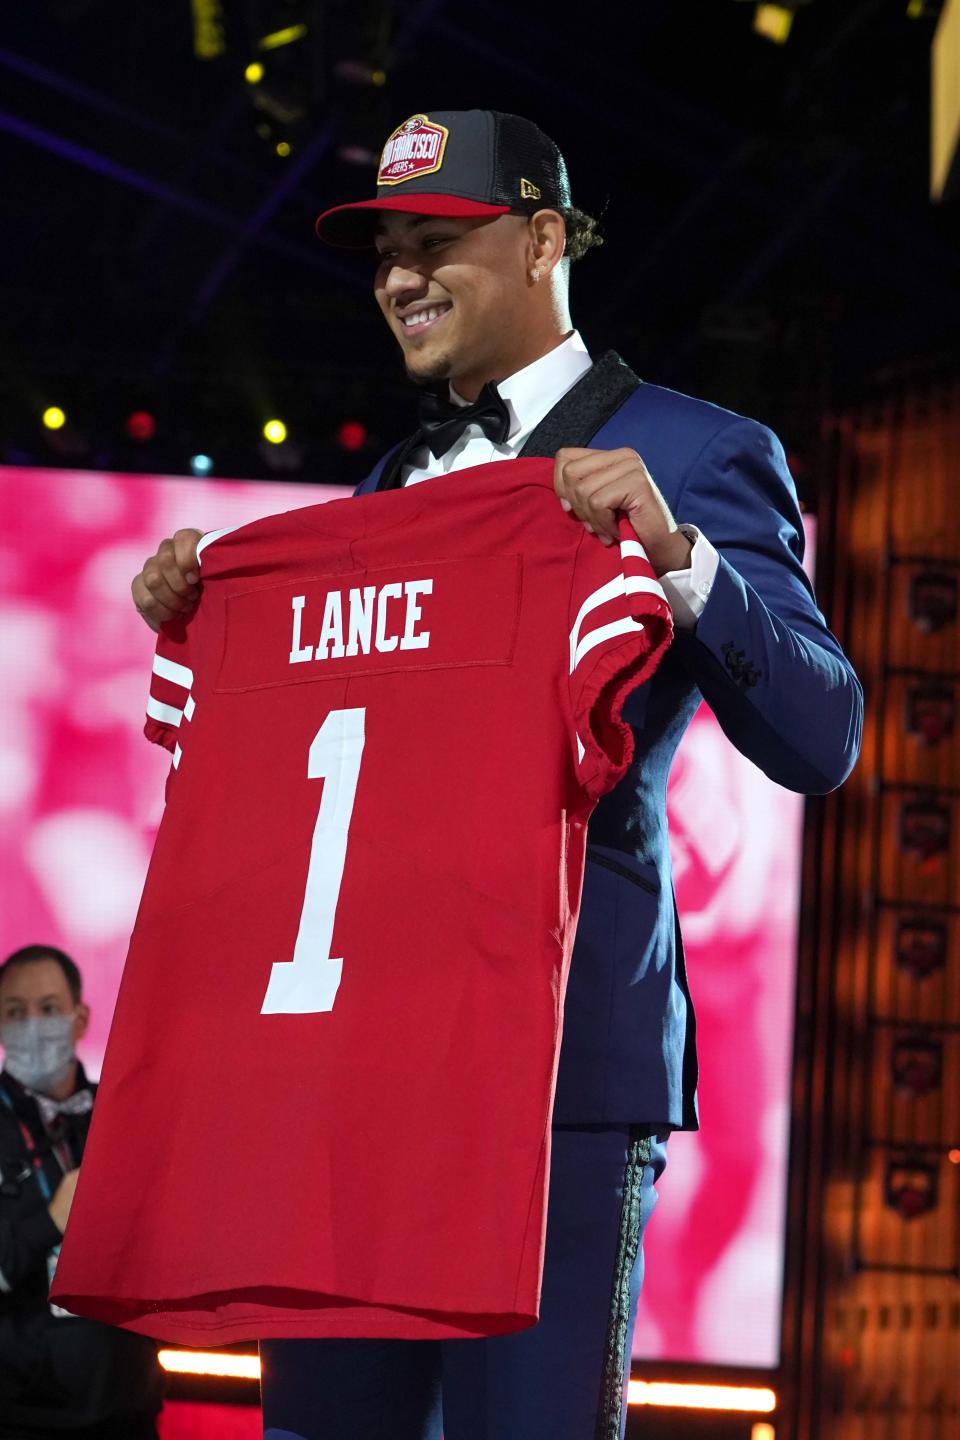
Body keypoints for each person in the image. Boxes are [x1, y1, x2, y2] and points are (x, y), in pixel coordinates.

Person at [130, 109, 862, 1440]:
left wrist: (683, 559)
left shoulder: (698, 452)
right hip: (360, 1062)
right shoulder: (392, 484)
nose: (399, 276)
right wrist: (204, 609)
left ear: (541, 241)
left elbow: (823, 737)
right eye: (384, 253)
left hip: (562, 1077)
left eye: (437, 243)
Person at [0, 945, 163, 1439]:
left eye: (48, 1008)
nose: (33, 1025)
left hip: (127, 1403)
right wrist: (51, 1219)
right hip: (23, 1417)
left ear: (79, 1017)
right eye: (14, 1012)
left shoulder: (125, 1120)